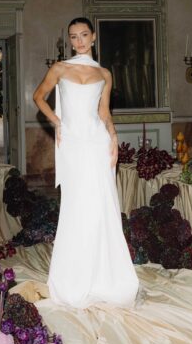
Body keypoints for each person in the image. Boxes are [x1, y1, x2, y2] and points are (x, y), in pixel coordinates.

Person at [33, 17, 139, 309]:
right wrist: (57, 122)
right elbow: (38, 97)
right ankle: (74, 278)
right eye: (73, 36)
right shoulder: (60, 68)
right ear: (70, 41)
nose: (78, 41)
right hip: (73, 143)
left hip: (97, 143)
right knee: (76, 205)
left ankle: (106, 278)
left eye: (83, 35)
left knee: (102, 205)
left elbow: (104, 112)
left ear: (93, 37)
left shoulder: (104, 73)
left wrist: (113, 136)